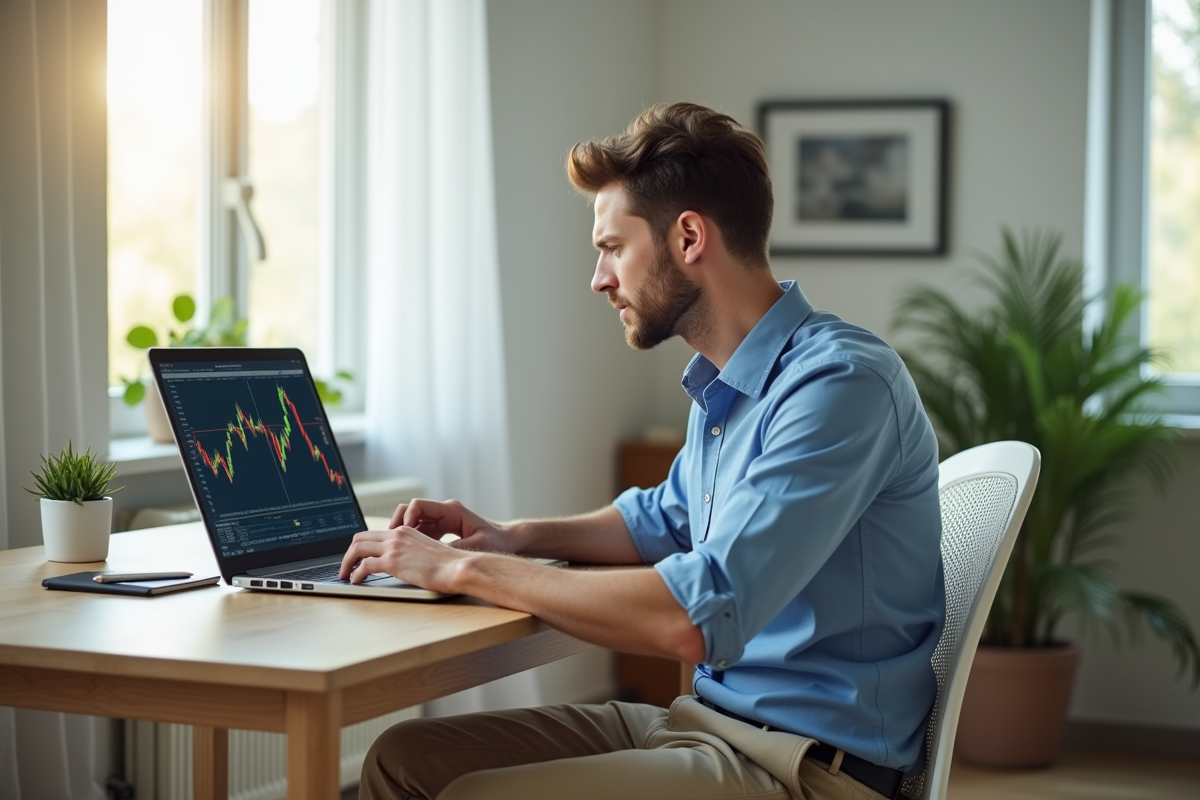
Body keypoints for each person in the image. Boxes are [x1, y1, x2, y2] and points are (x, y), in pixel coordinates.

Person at [343, 102, 945, 800]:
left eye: (612, 247)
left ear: (688, 237)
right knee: (401, 758)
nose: (600, 278)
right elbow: (661, 519)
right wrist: (512, 535)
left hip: (804, 766)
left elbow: (696, 614)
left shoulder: (840, 384)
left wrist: (461, 567)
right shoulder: (725, 384)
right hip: (707, 723)